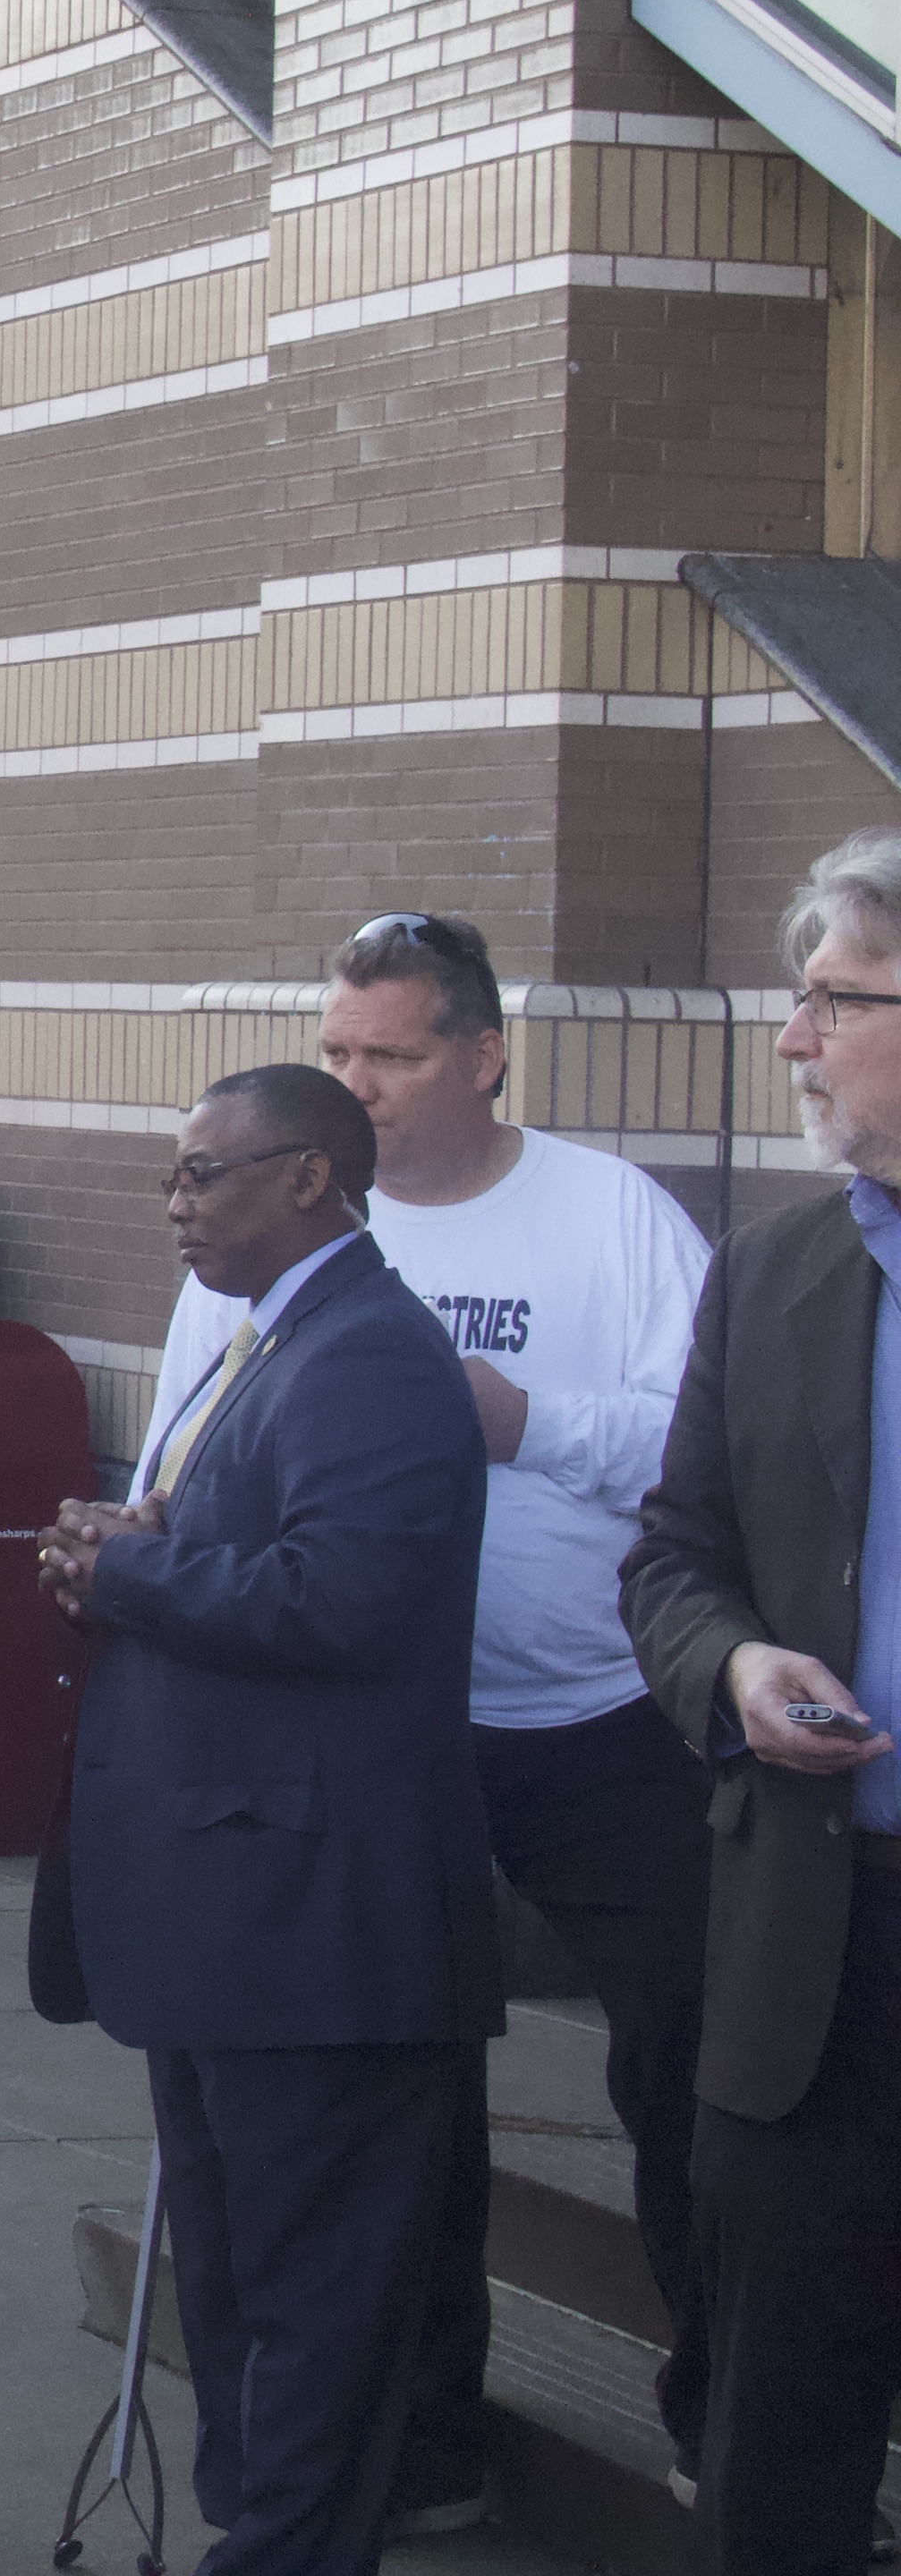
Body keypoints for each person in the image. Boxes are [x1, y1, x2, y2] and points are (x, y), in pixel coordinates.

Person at [184, 911, 706, 2526]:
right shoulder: (263, 1224)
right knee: (397, 2095)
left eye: (390, 1055)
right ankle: (418, 2442)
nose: (355, 1085)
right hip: (360, 1738)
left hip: (591, 1712)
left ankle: (725, 2405)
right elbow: (189, 1465)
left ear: (482, 1055)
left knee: (689, 2050)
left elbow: (707, 1443)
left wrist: (519, 1422)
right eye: (335, 1052)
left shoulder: (608, 1219)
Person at [34, 1063, 496, 2573]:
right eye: (171, 1174)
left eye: (201, 1173)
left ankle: (287, 2542)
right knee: (234, 2271)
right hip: (227, 1916)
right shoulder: (267, 1340)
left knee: (309, 2288)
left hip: (316, 1928)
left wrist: (125, 1576)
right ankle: (258, 2517)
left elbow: (339, 1595)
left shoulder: (360, 1347)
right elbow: (270, 1536)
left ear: (305, 1177)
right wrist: (147, 1529)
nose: (174, 1201)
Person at [617, 831, 901, 2567]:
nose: (791, 1042)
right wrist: (732, 1660)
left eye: (833, 1001)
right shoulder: (775, 1275)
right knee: (778, 2448)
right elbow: (668, 1559)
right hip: (818, 1948)